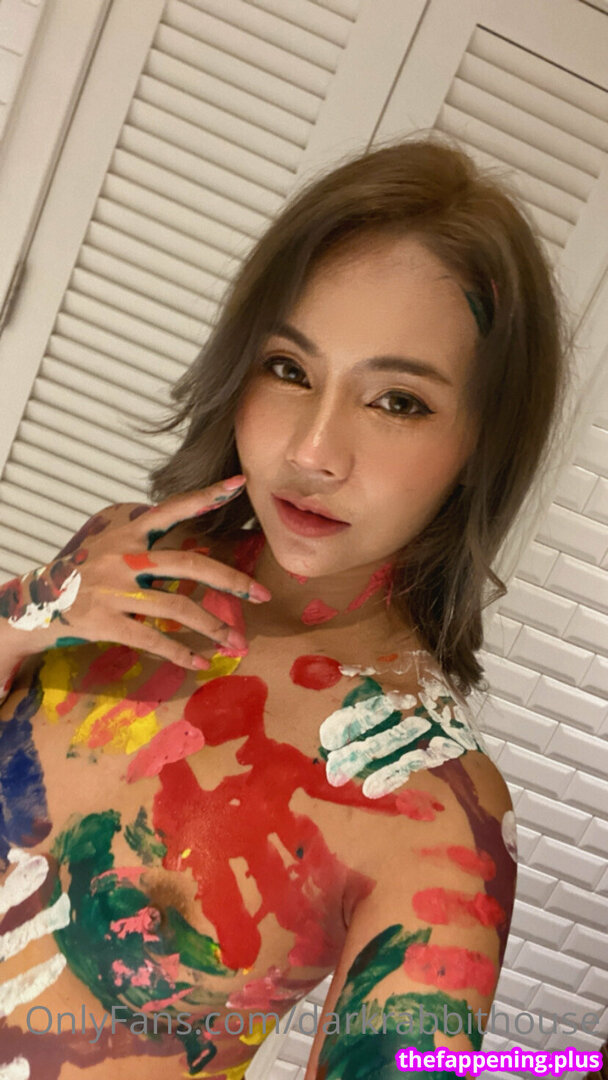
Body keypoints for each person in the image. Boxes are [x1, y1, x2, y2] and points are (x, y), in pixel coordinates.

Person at [0, 135, 569, 1080]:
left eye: (397, 402)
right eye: (290, 369)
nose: (313, 451)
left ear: (482, 443)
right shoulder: (122, 566)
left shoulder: (432, 809)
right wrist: (30, 614)